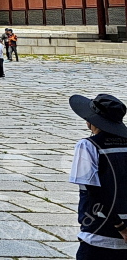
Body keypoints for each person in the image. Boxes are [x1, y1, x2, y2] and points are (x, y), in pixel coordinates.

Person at [68, 93, 127, 259]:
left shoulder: (88, 146)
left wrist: (121, 227)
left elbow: (95, 192)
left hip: (98, 233)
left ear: (91, 121)